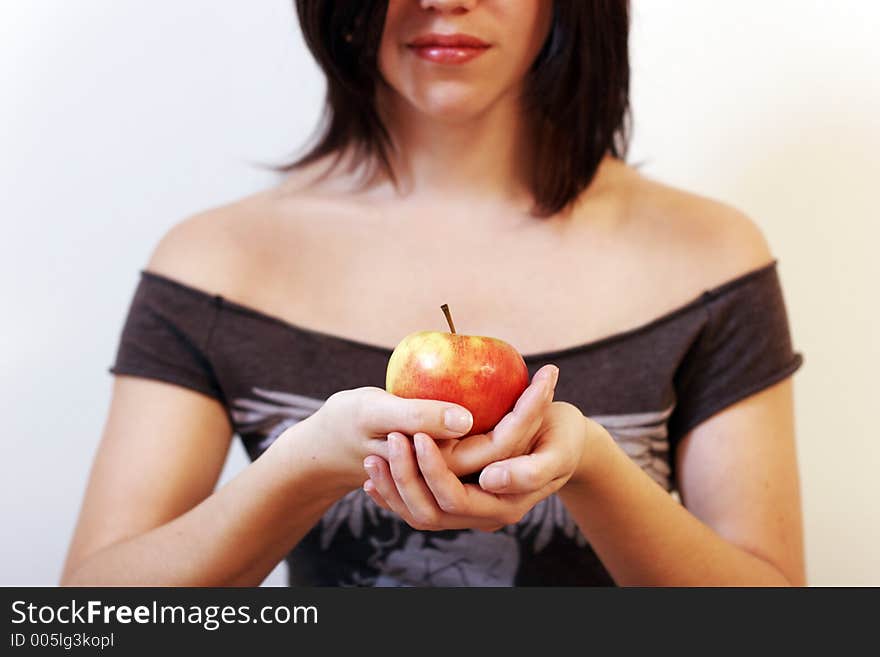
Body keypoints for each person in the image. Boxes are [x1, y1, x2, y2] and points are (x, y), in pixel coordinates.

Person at [61, 0, 805, 587]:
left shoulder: (709, 256)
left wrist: (594, 470)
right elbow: (83, 624)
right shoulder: (216, 262)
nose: (446, 0)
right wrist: (304, 464)